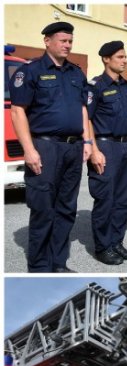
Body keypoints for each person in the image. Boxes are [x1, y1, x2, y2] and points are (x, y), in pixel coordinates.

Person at [9, 22, 92, 272]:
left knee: (66, 209)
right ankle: (39, 266)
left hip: (73, 148)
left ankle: (58, 262)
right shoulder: (31, 71)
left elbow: (82, 109)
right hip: (45, 148)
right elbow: (17, 111)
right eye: (63, 40)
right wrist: (29, 149)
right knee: (43, 209)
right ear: (47, 41)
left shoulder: (76, 73)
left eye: (70, 41)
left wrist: (87, 141)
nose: (68, 45)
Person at [86, 41, 127, 266]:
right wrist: (93, 150)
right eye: (120, 57)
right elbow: (86, 119)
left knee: (123, 200)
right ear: (106, 59)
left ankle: (116, 242)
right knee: (105, 199)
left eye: (125, 56)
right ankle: (103, 247)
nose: (124, 60)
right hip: (105, 147)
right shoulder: (95, 86)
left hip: (125, 146)